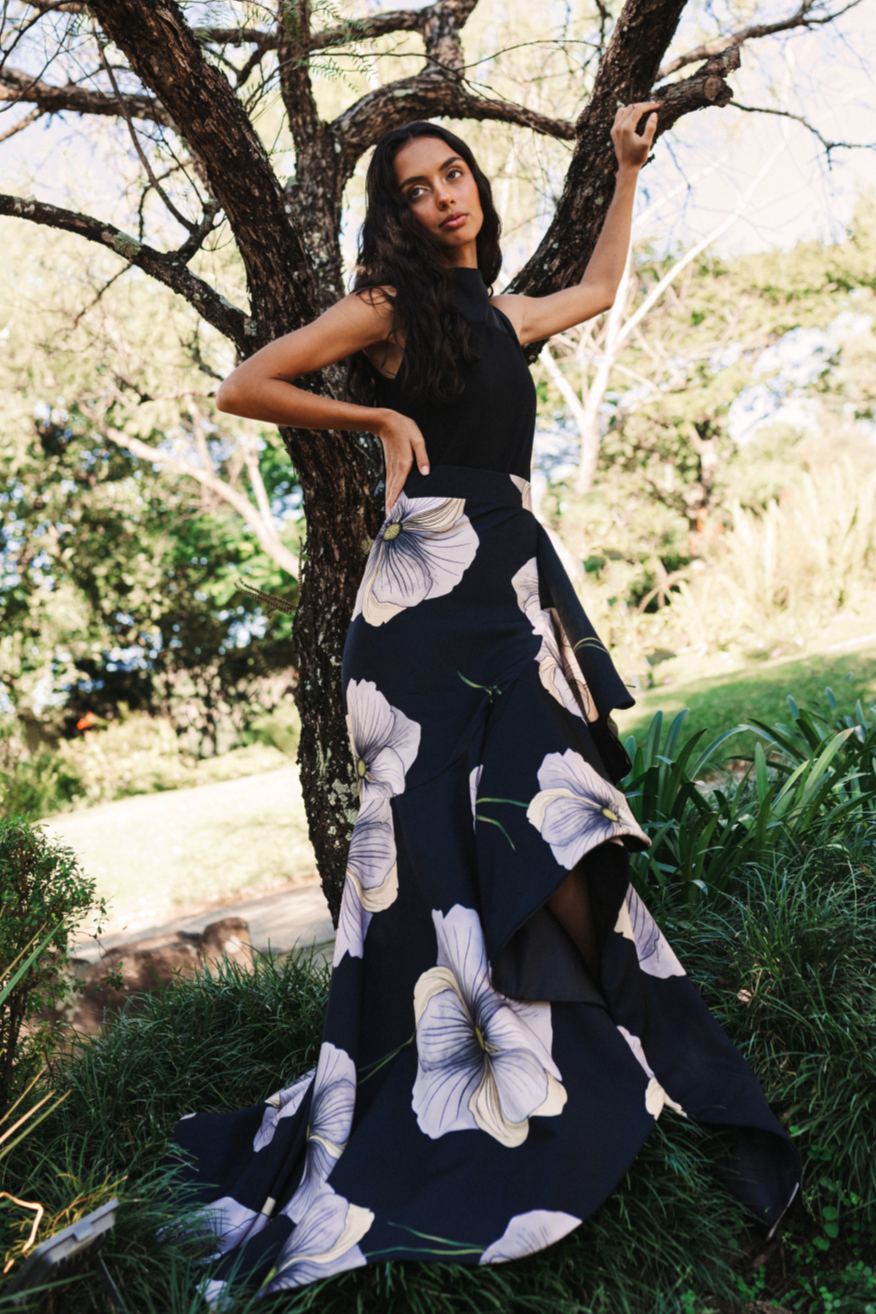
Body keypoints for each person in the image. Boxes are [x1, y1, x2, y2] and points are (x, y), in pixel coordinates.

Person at [172, 109, 800, 1302]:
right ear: (395, 215)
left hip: (505, 591)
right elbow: (246, 384)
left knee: (549, 797)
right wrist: (376, 417)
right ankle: (511, 1056)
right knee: (440, 847)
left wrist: (625, 169)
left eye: (452, 174)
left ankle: (607, 1024)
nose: (442, 197)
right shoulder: (387, 308)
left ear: (476, 184)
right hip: (417, 613)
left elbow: (601, 289)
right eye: (415, 188)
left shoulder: (504, 314)